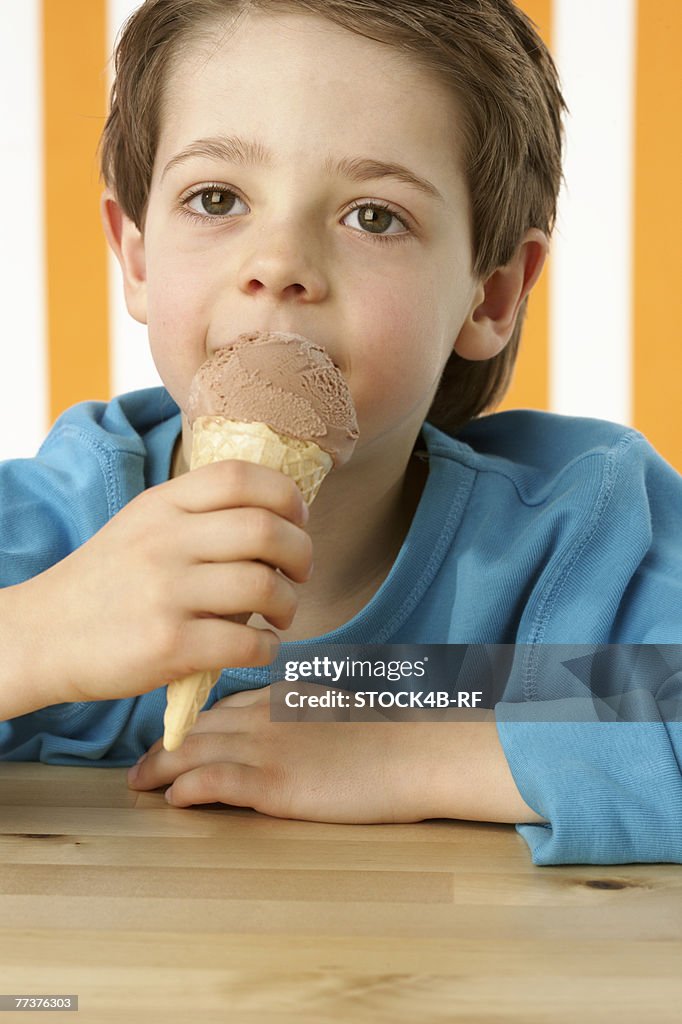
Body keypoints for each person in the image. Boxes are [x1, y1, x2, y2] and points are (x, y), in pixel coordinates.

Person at [0, 0, 680, 867]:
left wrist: (414, 746)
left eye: (374, 216)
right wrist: (31, 640)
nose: (278, 264)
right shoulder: (38, 543)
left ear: (492, 293)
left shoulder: (574, 542)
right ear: (135, 254)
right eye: (217, 199)